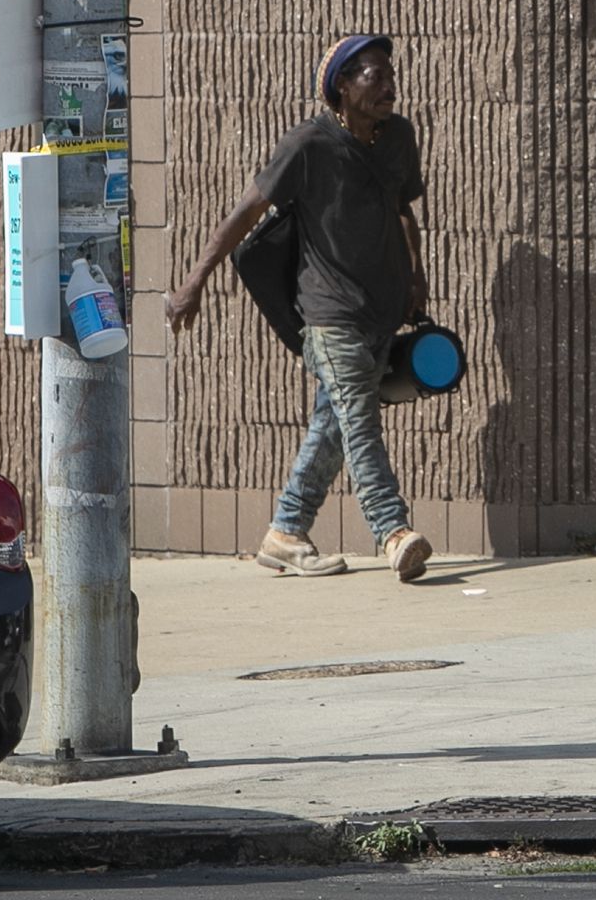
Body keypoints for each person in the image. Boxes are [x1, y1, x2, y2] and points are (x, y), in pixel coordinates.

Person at [167, 33, 433, 582]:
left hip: (381, 310)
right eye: (374, 75)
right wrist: (194, 282)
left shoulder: (399, 137)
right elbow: (247, 211)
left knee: (333, 426)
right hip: (328, 314)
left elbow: (403, 208)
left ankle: (286, 531)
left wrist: (416, 275)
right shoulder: (308, 144)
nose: (389, 85)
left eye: (390, 74)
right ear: (342, 85)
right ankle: (393, 530)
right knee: (359, 424)